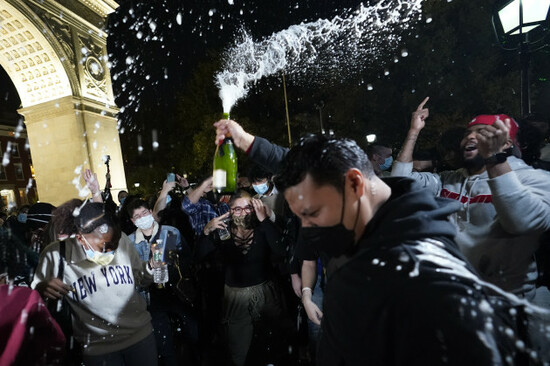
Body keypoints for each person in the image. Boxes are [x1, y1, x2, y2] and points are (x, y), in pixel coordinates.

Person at [214, 118, 541, 365]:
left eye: (313, 212)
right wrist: (247, 142)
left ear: (353, 184)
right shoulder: (368, 207)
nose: (308, 227)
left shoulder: (416, 262)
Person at [391, 97, 550, 303]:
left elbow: (520, 222)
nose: (471, 137)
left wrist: (494, 159)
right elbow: (399, 185)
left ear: (507, 143)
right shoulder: (452, 179)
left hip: (506, 304)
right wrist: (413, 132)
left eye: (482, 132)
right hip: (455, 297)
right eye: (468, 133)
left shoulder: (534, 179)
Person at [31, 200, 158, 366]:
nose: (109, 251)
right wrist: (43, 288)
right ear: (80, 238)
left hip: (139, 335)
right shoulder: (56, 254)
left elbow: (140, 279)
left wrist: (150, 267)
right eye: (102, 245)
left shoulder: (121, 240)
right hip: (98, 348)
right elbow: (32, 300)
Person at [197, 191, 288, 366]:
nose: (243, 212)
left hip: (265, 294)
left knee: (271, 342)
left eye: (247, 208)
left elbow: (281, 251)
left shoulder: (262, 227)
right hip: (235, 297)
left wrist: (265, 220)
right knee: (238, 349)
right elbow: (199, 256)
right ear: (230, 211)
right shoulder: (222, 231)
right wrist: (207, 230)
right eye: (237, 209)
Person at [127, 199, 197, 366]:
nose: (142, 218)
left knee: (193, 334)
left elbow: (187, 259)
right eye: (137, 216)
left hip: (176, 292)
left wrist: (171, 259)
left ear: (151, 212)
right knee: (164, 345)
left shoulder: (170, 232)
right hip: (150, 298)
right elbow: (133, 273)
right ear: (132, 221)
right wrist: (149, 264)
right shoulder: (130, 242)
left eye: (144, 213)